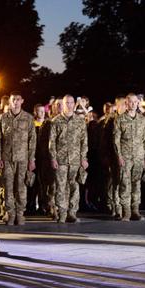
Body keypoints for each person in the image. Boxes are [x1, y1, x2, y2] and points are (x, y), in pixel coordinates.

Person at [0, 92, 36, 226]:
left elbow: (32, 140)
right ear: (9, 102)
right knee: (8, 187)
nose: (16, 102)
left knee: (21, 187)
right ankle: (10, 214)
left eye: (18, 99)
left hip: (22, 159)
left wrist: (31, 159)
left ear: (22, 100)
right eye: (13, 100)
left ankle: (20, 214)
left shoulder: (28, 118)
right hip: (6, 158)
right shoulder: (2, 118)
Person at [49, 95, 89, 223]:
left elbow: (84, 142)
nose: (69, 105)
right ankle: (61, 213)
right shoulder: (56, 121)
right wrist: (53, 158)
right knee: (61, 187)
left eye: (71, 103)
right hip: (61, 160)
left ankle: (72, 213)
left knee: (74, 186)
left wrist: (84, 158)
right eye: (67, 103)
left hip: (76, 160)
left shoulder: (80, 121)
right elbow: (52, 142)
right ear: (63, 104)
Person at [113, 93, 145, 221]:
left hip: (139, 157)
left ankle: (135, 210)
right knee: (125, 184)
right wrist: (119, 156)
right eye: (131, 102)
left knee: (136, 185)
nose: (134, 104)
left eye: (135, 102)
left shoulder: (143, 120)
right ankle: (126, 212)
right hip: (125, 157)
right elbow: (116, 140)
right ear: (126, 104)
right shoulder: (119, 120)